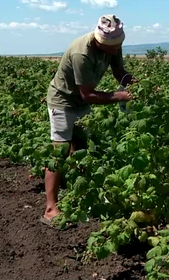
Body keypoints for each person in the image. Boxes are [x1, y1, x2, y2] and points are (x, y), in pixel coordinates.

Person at [41, 14, 135, 228]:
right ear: (99, 41)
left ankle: (79, 193)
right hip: (63, 100)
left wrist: (137, 85)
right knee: (60, 152)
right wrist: (121, 96)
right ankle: (50, 209)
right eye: (112, 48)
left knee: (82, 148)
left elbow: (119, 72)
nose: (115, 50)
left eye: (118, 46)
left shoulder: (114, 43)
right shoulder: (81, 53)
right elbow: (88, 95)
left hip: (81, 101)